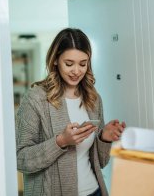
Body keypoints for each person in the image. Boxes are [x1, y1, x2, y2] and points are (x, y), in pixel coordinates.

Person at [16, 28, 126, 196]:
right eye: (69, 64)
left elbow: (101, 162)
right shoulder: (35, 99)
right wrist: (60, 141)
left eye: (83, 64)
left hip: (94, 191)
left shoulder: (93, 99)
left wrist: (104, 138)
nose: (76, 71)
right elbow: (21, 159)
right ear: (55, 60)